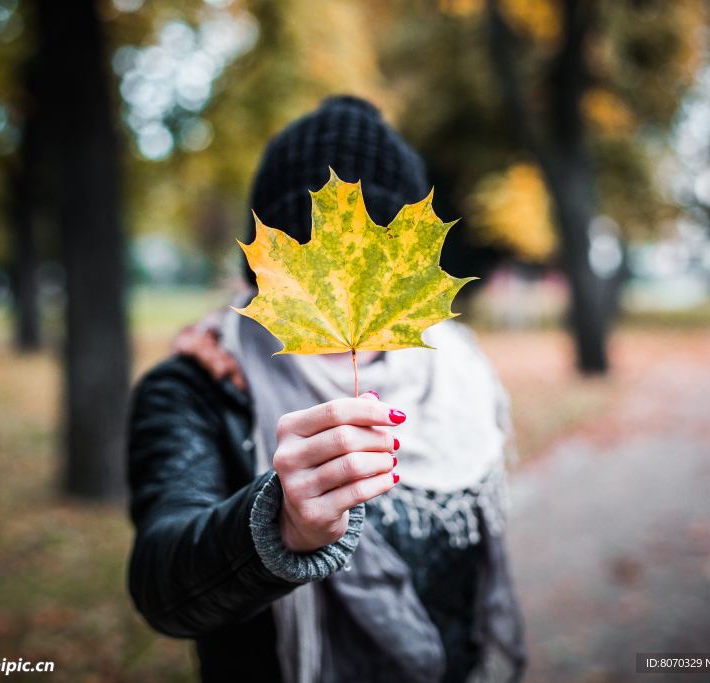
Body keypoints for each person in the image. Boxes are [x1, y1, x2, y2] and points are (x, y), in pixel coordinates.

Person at [127, 96, 526, 683]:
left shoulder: (458, 372)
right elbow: (164, 587)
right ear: (260, 274)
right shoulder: (199, 387)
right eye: (315, 270)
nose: (346, 292)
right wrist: (276, 528)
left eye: (374, 270)